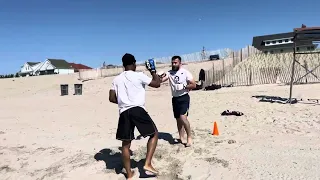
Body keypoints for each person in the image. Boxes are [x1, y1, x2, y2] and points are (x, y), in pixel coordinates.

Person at [109, 53, 161, 179]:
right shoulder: (139, 75)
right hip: (137, 109)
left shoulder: (116, 79)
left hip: (124, 112)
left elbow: (111, 98)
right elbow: (156, 83)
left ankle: (129, 174)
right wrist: (153, 71)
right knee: (154, 134)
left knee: (126, 144)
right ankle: (147, 163)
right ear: (134, 63)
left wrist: (123, 101)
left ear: (123, 65)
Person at [158, 55, 196, 147]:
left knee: (183, 117)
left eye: (175, 62)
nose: (173, 64)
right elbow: (160, 81)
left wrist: (183, 86)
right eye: (172, 62)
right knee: (178, 119)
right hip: (175, 98)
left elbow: (194, 85)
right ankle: (181, 137)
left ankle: (189, 137)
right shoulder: (170, 73)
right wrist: (159, 75)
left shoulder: (185, 72)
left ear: (180, 63)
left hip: (184, 97)